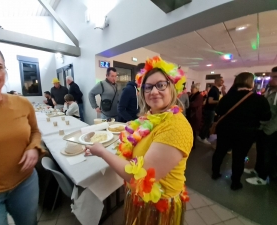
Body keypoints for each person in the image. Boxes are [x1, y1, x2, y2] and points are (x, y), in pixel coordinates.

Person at [85, 56, 193, 225]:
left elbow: (139, 176)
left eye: (161, 85)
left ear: (172, 87)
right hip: (140, 201)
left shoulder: (176, 127)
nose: (154, 91)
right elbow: (139, 142)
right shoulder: (151, 117)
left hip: (157, 209)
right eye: (148, 87)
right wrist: (132, 126)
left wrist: (102, 152)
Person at [0, 41, 46, 225]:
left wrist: (33, 148)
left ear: (5, 71)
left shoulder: (22, 103)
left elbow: (35, 132)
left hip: (26, 183)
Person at [212, 72, 271, 190]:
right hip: (246, 133)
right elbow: (266, 117)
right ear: (251, 82)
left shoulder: (227, 97)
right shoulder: (259, 99)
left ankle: (215, 173)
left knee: (220, 151)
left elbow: (218, 110)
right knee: (239, 157)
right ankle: (235, 183)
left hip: (225, 130)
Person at [246, 67, 277, 185]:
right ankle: (257, 170)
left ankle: (263, 177)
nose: (271, 79)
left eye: (275, 77)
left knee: (267, 154)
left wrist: (269, 130)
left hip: (271, 130)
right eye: (271, 76)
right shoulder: (270, 91)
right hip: (262, 128)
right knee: (260, 151)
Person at [198, 77, 224, 144]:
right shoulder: (214, 90)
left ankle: (202, 136)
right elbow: (210, 101)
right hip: (209, 110)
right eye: (221, 80)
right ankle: (202, 137)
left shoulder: (216, 90)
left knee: (207, 123)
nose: (223, 82)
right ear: (217, 81)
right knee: (208, 124)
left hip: (211, 110)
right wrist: (220, 101)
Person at [187, 83, 204, 150]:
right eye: (191, 87)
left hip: (195, 115)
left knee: (193, 131)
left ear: (197, 89)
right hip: (191, 115)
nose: (191, 89)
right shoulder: (192, 95)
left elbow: (194, 104)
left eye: (192, 88)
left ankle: (192, 145)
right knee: (190, 130)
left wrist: (187, 104)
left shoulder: (199, 96)